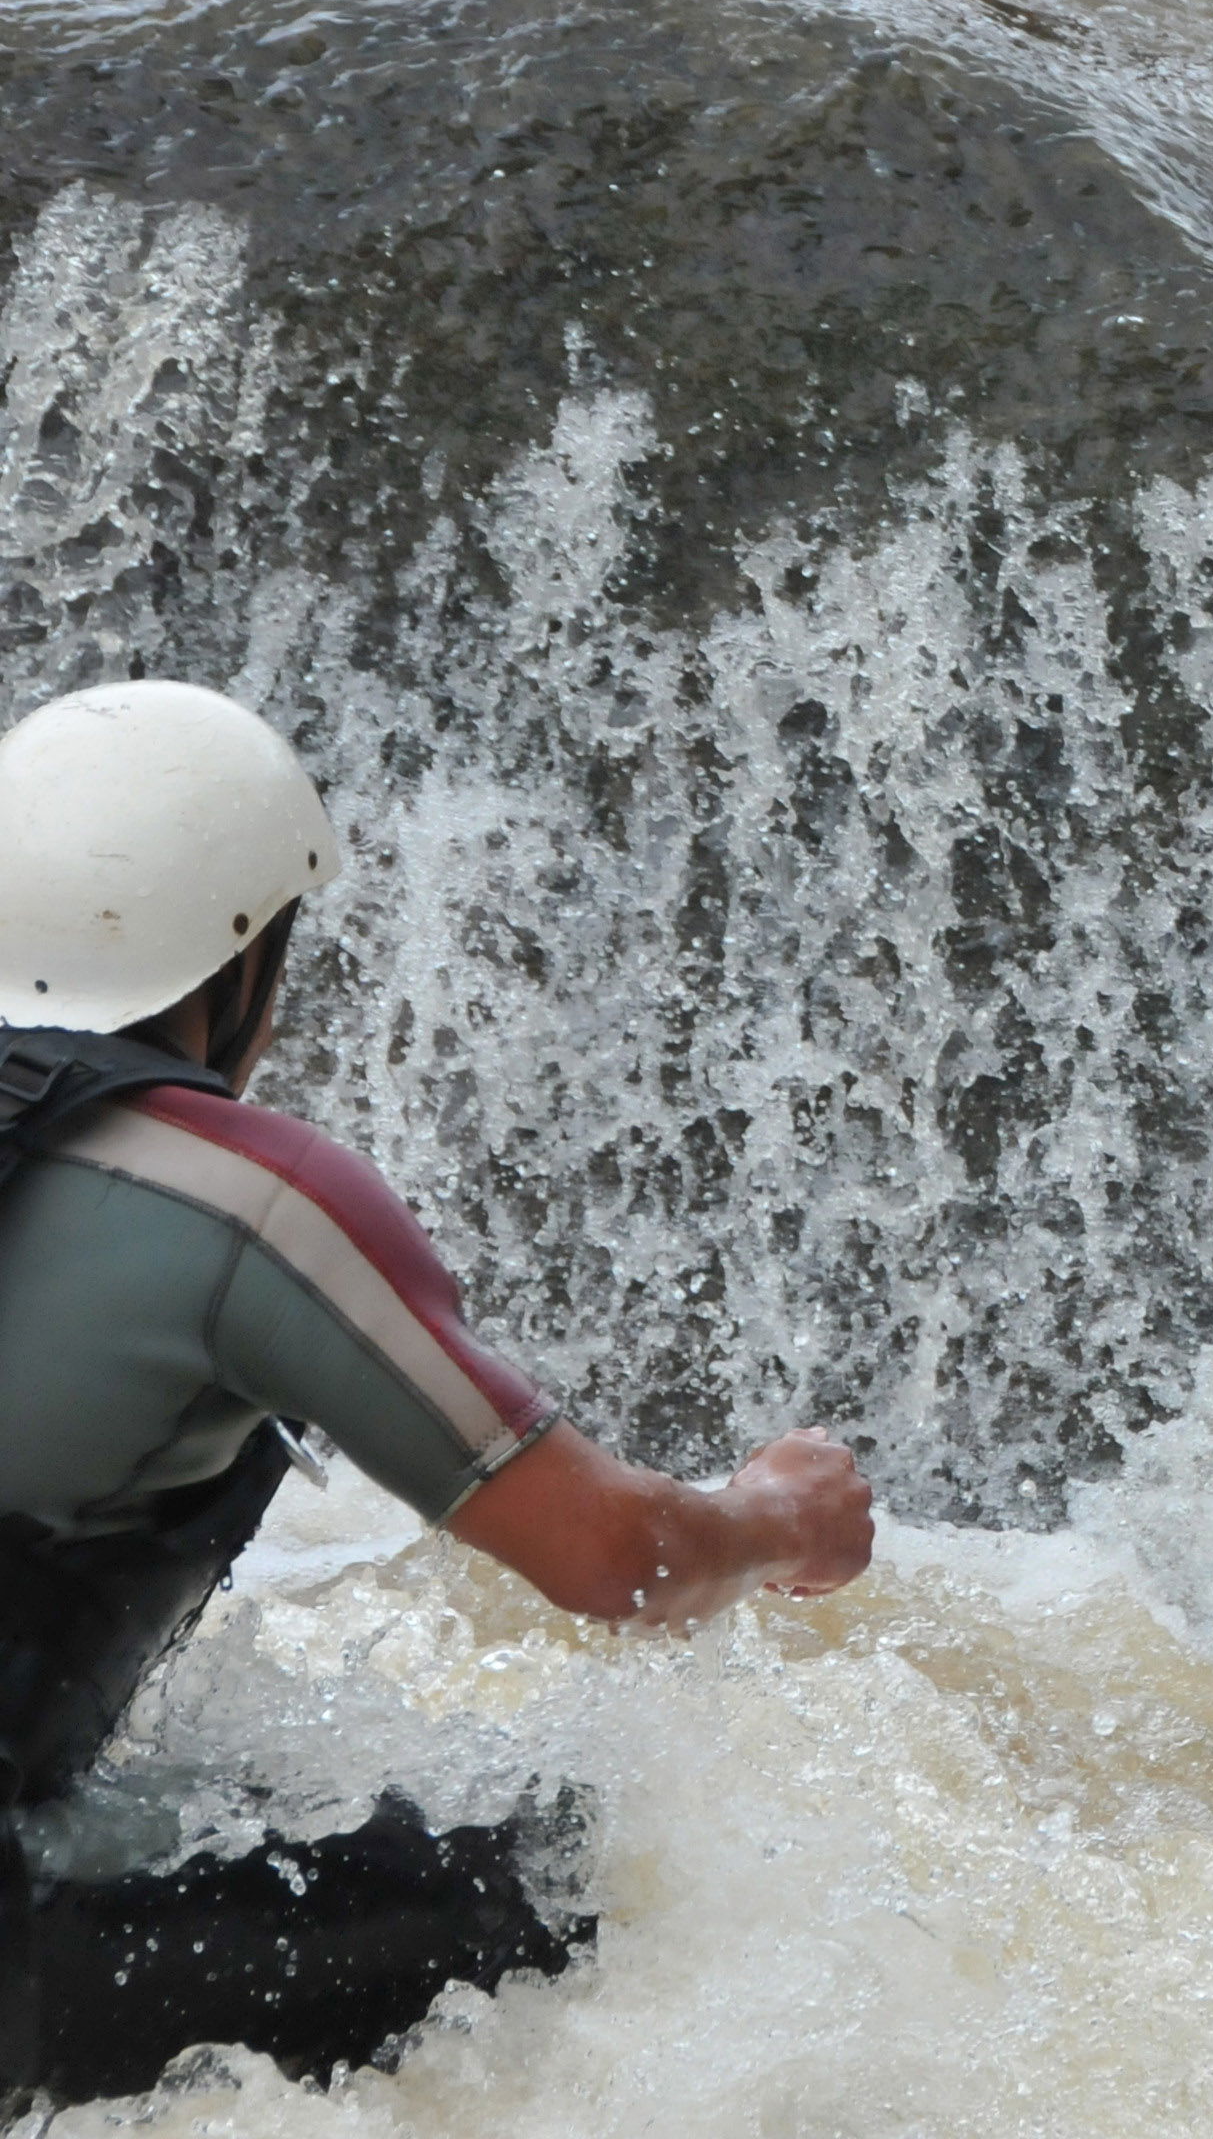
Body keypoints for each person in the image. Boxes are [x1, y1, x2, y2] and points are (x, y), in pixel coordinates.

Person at [0, 683, 876, 2107]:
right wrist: (778, 1514)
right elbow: (615, 1561)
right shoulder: (247, 1197)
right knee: (578, 1879)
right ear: (247, 964)